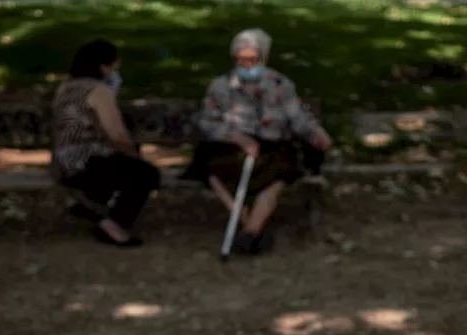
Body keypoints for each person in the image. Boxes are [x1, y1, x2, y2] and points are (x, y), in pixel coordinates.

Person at [185, 28, 333, 255]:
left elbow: (297, 117)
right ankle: (243, 217)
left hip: (270, 145)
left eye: (252, 59)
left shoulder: (280, 84)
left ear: (263, 58)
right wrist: (237, 137)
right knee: (207, 166)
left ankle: (251, 232)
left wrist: (315, 131)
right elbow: (206, 122)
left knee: (281, 171)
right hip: (230, 145)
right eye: (241, 59)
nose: (246, 64)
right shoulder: (220, 87)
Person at [50, 39, 161, 248]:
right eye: (114, 64)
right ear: (103, 66)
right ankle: (112, 225)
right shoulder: (99, 91)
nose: (116, 69)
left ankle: (91, 207)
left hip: (63, 163)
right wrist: (134, 156)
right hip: (87, 162)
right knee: (146, 174)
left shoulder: (65, 88)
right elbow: (117, 135)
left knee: (122, 168)